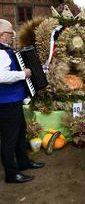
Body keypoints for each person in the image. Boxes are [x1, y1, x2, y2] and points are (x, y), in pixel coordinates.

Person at [0, 19, 45, 183]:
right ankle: (12, 174)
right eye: (10, 32)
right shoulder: (1, 53)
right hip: (5, 103)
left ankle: (24, 162)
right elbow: (1, 76)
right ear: (1, 35)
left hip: (13, 100)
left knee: (20, 133)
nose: (13, 35)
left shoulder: (6, 51)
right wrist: (23, 74)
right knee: (9, 138)